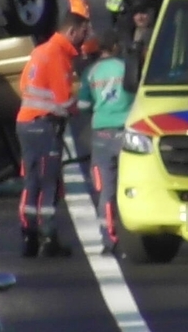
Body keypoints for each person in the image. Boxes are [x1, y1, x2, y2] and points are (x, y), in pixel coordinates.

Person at [17, 12, 90, 258]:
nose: (85, 36)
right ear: (72, 32)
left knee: (31, 180)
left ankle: (28, 233)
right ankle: (48, 237)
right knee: (50, 183)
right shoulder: (59, 56)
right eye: (83, 32)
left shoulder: (40, 51)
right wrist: (85, 108)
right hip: (45, 126)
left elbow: (23, 85)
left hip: (26, 123)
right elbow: (64, 100)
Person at [78, 28, 136, 256]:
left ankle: (109, 239)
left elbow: (83, 106)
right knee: (130, 185)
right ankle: (132, 234)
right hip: (126, 130)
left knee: (106, 191)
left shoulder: (91, 73)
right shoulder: (127, 69)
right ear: (115, 47)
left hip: (101, 133)